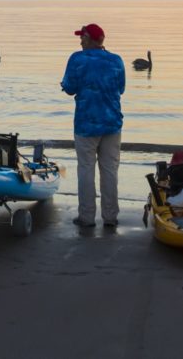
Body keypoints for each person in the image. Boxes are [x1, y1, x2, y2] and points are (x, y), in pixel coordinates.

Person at [60, 23, 125, 229]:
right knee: (110, 170)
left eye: (83, 38)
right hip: (112, 123)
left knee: (86, 169)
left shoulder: (77, 59)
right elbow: (121, 89)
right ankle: (110, 217)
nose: (80, 41)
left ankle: (87, 217)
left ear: (90, 39)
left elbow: (69, 88)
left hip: (86, 123)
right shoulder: (116, 60)